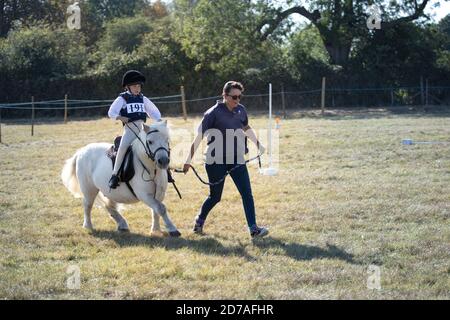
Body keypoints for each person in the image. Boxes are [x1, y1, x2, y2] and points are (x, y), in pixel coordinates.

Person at [183, 81, 269, 238]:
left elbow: (246, 127)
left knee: (247, 193)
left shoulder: (241, 110)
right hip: (216, 160)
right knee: (215, 197)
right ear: (224, 95)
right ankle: (199, 220)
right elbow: (199, 137)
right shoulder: (212, 113)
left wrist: (258, 144)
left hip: (236, 158)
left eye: (239, 97)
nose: (237, 100)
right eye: (234, 97)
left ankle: (253, 229)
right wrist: (188, 160)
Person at [108, 70, 161, 189]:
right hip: (130, 131)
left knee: (157, 146)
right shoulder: (122, 99)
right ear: (128, 87)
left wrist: (159, 121)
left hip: (142, 129)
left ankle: (165, 171)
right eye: (134, 86)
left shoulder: (143, 98)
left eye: (139, 86)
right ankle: (115, 175)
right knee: (122, 148)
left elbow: (154, 112)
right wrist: (121, 117)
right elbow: (111, 112)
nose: (137, 88)